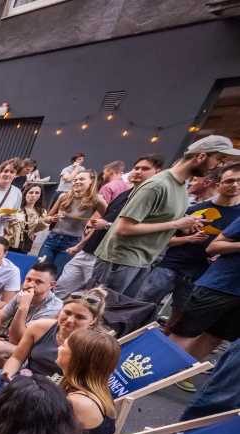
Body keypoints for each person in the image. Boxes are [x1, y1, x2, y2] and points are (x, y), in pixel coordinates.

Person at [92, 135, 239, 296]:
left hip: (142, 261)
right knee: (100, 308)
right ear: (201, 156)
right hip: (120, 260)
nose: (219, 165)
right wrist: (176, 224)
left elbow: (158, 220)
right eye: (219, 159)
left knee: (119, 309)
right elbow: (123, 228)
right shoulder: (157, 185)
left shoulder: (180, 186)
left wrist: (186, 225)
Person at [0, 288, 107, 421]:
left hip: (48, 395)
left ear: (93, 320)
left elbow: (77, 389)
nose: (70, 320)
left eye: (80, 317)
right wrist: (8, 373)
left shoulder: (91, 348)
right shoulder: (41, 327)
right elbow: (17, 357)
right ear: (61, 310)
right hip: (24, 376)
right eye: (67, 312)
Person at [137, 164, 240, 322]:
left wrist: (221, 253)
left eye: (239, 181)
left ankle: (164, 337)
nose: (235, 185)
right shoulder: (194, 209)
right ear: (218, 184)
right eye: (230, 181)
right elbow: (163, 240)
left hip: (202, 274)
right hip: (171, 265)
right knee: (140, 305)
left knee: (181, 317)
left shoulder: (238, 217)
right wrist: (187, 239)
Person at [55, 155, 164, 298]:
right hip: (89, 250)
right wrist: (81, 245)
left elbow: (129, 227)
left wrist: (106, 225)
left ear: (157, 172)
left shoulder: (150, 197)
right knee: (62, 287)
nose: (138, 171)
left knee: (93, 297)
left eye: (145, 169)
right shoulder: (124, 194)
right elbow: (103, 222)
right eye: (136, 168)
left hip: (110, 257)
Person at [167, 182, 240, 362]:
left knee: (215, 337)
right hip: (220, 285)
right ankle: (155, 371)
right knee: (184, 333)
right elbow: (213, 247)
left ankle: (181, 371)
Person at [56, 328, 120, 434]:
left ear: (77, 359)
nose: (59, 348)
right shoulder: (92, 388)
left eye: (64, 346)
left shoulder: (79, 402)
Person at [0, 262, 63, 372]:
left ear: (52, 285)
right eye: (28, 279)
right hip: (11, 336)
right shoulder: (23, 293)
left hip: (30, 351)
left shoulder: (54, 308)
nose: (31, 285)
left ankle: (4, 377)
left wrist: (23, 307)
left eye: (38, 282)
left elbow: (19, 339)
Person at [42, 170, 107, 274]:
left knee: (55, 275)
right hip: (52, 239)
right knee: (40, 269)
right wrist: (50, 219)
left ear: (91, 181)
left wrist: (88, 234)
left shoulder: (96, 200)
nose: (77, 182)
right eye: (75, 179)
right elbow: (46, 218)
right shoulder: (64, 196)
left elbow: (108, 219)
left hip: (72, 242)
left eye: (81, 179)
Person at [15, 182, 48, 254]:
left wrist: (46, 221)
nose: (33, 195)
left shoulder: (41, 211)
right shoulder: (16, 207)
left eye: (37, 193)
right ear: (25, 193)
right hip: (10, 241)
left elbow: (37, 229)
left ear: (40, 195)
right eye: (31, 192)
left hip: (24, 243)